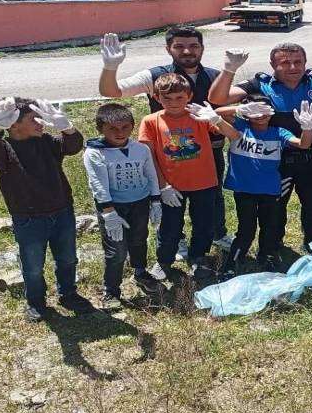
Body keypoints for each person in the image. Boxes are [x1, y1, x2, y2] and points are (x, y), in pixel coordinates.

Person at [208, 41, 312, 254]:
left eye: (298, 61)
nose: (293, 67)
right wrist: (229, 69)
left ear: (305, 62)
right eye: (285, 62)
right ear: (273, 64)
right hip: (276, 160)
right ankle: (275, 244)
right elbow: (216, 99)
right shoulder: (259, 84)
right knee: (276, 207)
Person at [97, 28, 236, 251]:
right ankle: (175, 241)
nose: (187, 51)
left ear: (202, 48)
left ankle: (217, 234)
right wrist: (110, 66)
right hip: (166, 153)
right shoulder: (154, 76)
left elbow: (228, 104)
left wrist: (238, 108)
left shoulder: (214, 76)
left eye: (194, 45)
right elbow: (111, 91)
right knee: (170, 202)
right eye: (179, 46)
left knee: (213, 198)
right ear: (168, 49)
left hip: (208, 152)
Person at [0, 97, 89, 322]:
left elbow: (73, 146)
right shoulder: (5, 150)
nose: (41, 123)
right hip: (28, 219)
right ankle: (36, 302)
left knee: (67, 259)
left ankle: (68, 294)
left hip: (62, 212)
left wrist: (67, 128)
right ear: (13, 125)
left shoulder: (46, 141)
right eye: (33, 119)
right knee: (33, 266)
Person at [138, 74, 225, 280]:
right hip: (171, 186)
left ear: (189, 96)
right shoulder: (150, 121)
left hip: (204, 183)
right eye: (167, 98)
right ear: (157, 98)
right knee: (170, 227)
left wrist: (216, 117)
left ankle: (199, 257)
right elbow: (148, 157)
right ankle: (164, 260)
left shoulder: (199, 116)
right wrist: (162, 186)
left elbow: (229, 133)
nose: (174, 103)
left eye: (179, 97)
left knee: (204, 224)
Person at [218, 95, 312, 275]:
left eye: (264, 110)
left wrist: (307, 127)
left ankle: (266, 255)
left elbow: (303, 144)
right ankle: (233, 261)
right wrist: (239, 110)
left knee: (269, 226)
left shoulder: (279, 132)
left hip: (270, 191)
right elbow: (217, 114)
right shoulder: (240, 127)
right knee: (246, 230)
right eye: (255, 111)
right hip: (244, 190)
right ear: (247, 114)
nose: (260, 115)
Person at [82, 103, 161, 310]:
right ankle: (111, 290)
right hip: (114, 207)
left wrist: (155, 200)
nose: (120, 133)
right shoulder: (95, 153)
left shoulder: (140, 149)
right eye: (113, 129)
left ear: (133, 126)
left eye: (125, 127)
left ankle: (140, 272)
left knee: (139, 238)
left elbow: (150, 174)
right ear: (100, 129)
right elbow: (97, 183)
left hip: (140, 202)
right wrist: (108, 212)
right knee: (116, 249)